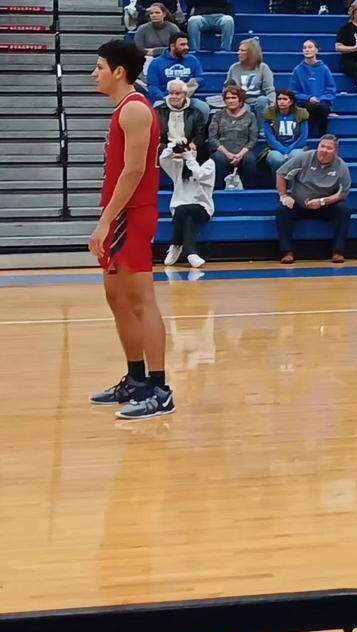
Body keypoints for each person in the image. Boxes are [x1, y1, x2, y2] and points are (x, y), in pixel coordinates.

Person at [87, 39, 172, 420]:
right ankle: (136, 379)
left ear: (119, 71)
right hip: (121, 215)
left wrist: (106, 221)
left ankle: (160, 388)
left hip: (131, 217)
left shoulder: (135, 110)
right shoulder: (125, 109)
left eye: (100, 67)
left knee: (140, 300)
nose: (95, 73)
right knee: (117, 299)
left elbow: (134, 171)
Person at [275, 135, 352, 264]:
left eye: (329, 148)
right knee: (282, 210)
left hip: (325, 205)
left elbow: (342, 194)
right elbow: (281, 173)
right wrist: (283, 195)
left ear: (335, 151)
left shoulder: (341, 166)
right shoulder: (304, 158)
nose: (324, 150)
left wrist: (322, 202)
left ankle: (338, 251)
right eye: (322, 146)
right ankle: (287, 252)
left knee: (343, 210)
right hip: (299, 204)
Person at [160, 138, 215, 269]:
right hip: (181, 210)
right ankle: (191, 252)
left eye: (193, 150)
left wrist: (190, 159)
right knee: (186, 215)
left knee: (183, 210)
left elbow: (200, 175)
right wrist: (172, 146)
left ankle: (175, 245)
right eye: (188, 149)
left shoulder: (208, 163)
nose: (189, 152)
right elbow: (163, 160)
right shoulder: (179, 165)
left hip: (202, 208)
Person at [207, 85, 259, 190]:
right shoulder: (218, 115)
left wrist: (240, 155)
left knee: (249, 160)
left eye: (233, 98)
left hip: (243, 151)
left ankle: (250, 193)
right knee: (219, 159)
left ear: (240, 100)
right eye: (227, 98)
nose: (230, 101)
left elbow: (253, 139)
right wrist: (227, 154)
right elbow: (212, 138)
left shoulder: (250, 116)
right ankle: (217, 192)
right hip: (222, 150)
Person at [146, 32, 208, 118]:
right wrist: (164, 98)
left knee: (204, 108)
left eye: (187, 44)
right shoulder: (156, 63)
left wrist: (194, 82)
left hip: (187, 99)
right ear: (172, 46)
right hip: (164, 99)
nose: (186, 47)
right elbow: (152, 86)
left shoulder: (192, 60)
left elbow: (202, 79)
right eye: (182, 45)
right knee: (156, 108)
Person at [290, 39, 336, 138]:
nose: (307, 50)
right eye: (304, 48)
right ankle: (305, 137)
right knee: (309, 108)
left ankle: (322, 136)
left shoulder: (324, 69)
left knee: (321, 108)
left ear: (316, 50)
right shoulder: (297, 70)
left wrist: (320, 99)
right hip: (304, 102)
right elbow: (294, 92)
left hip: (322, 102)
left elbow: (331, 90)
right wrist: (309, 98)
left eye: (310, 47)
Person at [262, 88, 310, 173]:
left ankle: (292, 185)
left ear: (291, 102)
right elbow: (270, 138)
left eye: (285, 99)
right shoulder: (269, 113)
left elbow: (303, 137)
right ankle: (279, 184)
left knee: (296, 156)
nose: (281, 101)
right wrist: (283, 150)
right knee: (277, 159)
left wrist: (288, 150)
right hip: (274, 149)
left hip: (296, 147)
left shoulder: (301, 113)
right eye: (279, 99)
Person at [226, 37, 275, 116]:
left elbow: (270, 90)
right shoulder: (234, 68)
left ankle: (261, 128)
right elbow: (227, 89)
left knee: (262, 101)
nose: (238, 53)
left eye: (242, 50)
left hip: (259, 100)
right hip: (241, 101)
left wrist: (273, 104)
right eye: (238, 50)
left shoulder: (263, 68)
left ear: (251, 53)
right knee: (244, 108)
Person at [155, 79, 207, 147]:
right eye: (171, 93)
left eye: (177, 93)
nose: (173, 96)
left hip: (187, 149)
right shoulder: (157, 112)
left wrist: (194, 144)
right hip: (165, 149)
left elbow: (200, 135)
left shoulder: (196, 113)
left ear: (185, 94)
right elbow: (154, 136)